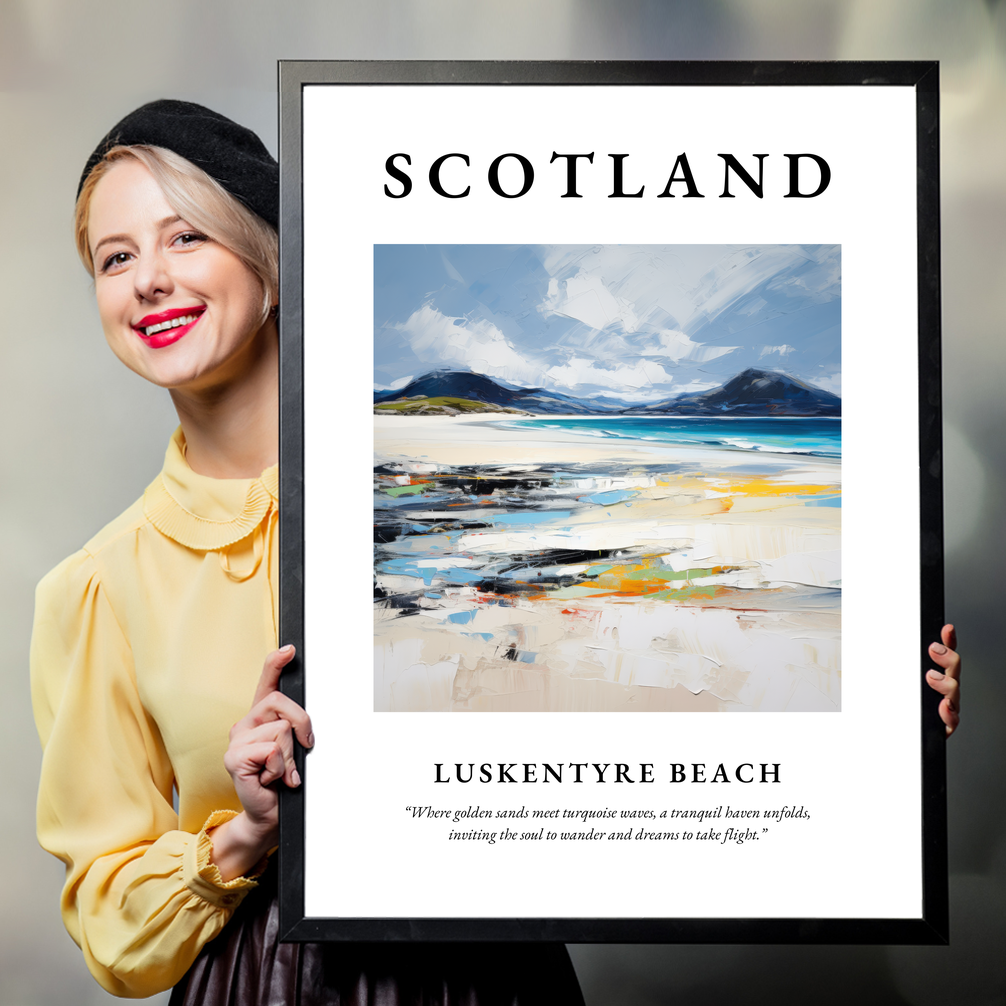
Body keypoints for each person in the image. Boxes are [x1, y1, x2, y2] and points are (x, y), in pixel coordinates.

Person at [30, 100, 585, 1004]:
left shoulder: (447, 497)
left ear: (273, 264)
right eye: (116, 257)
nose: (148, 281)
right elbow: (110, 924)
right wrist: (245, 832)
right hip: (262, 981)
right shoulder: (97, 587)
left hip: (492, 972)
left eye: (186, 239)